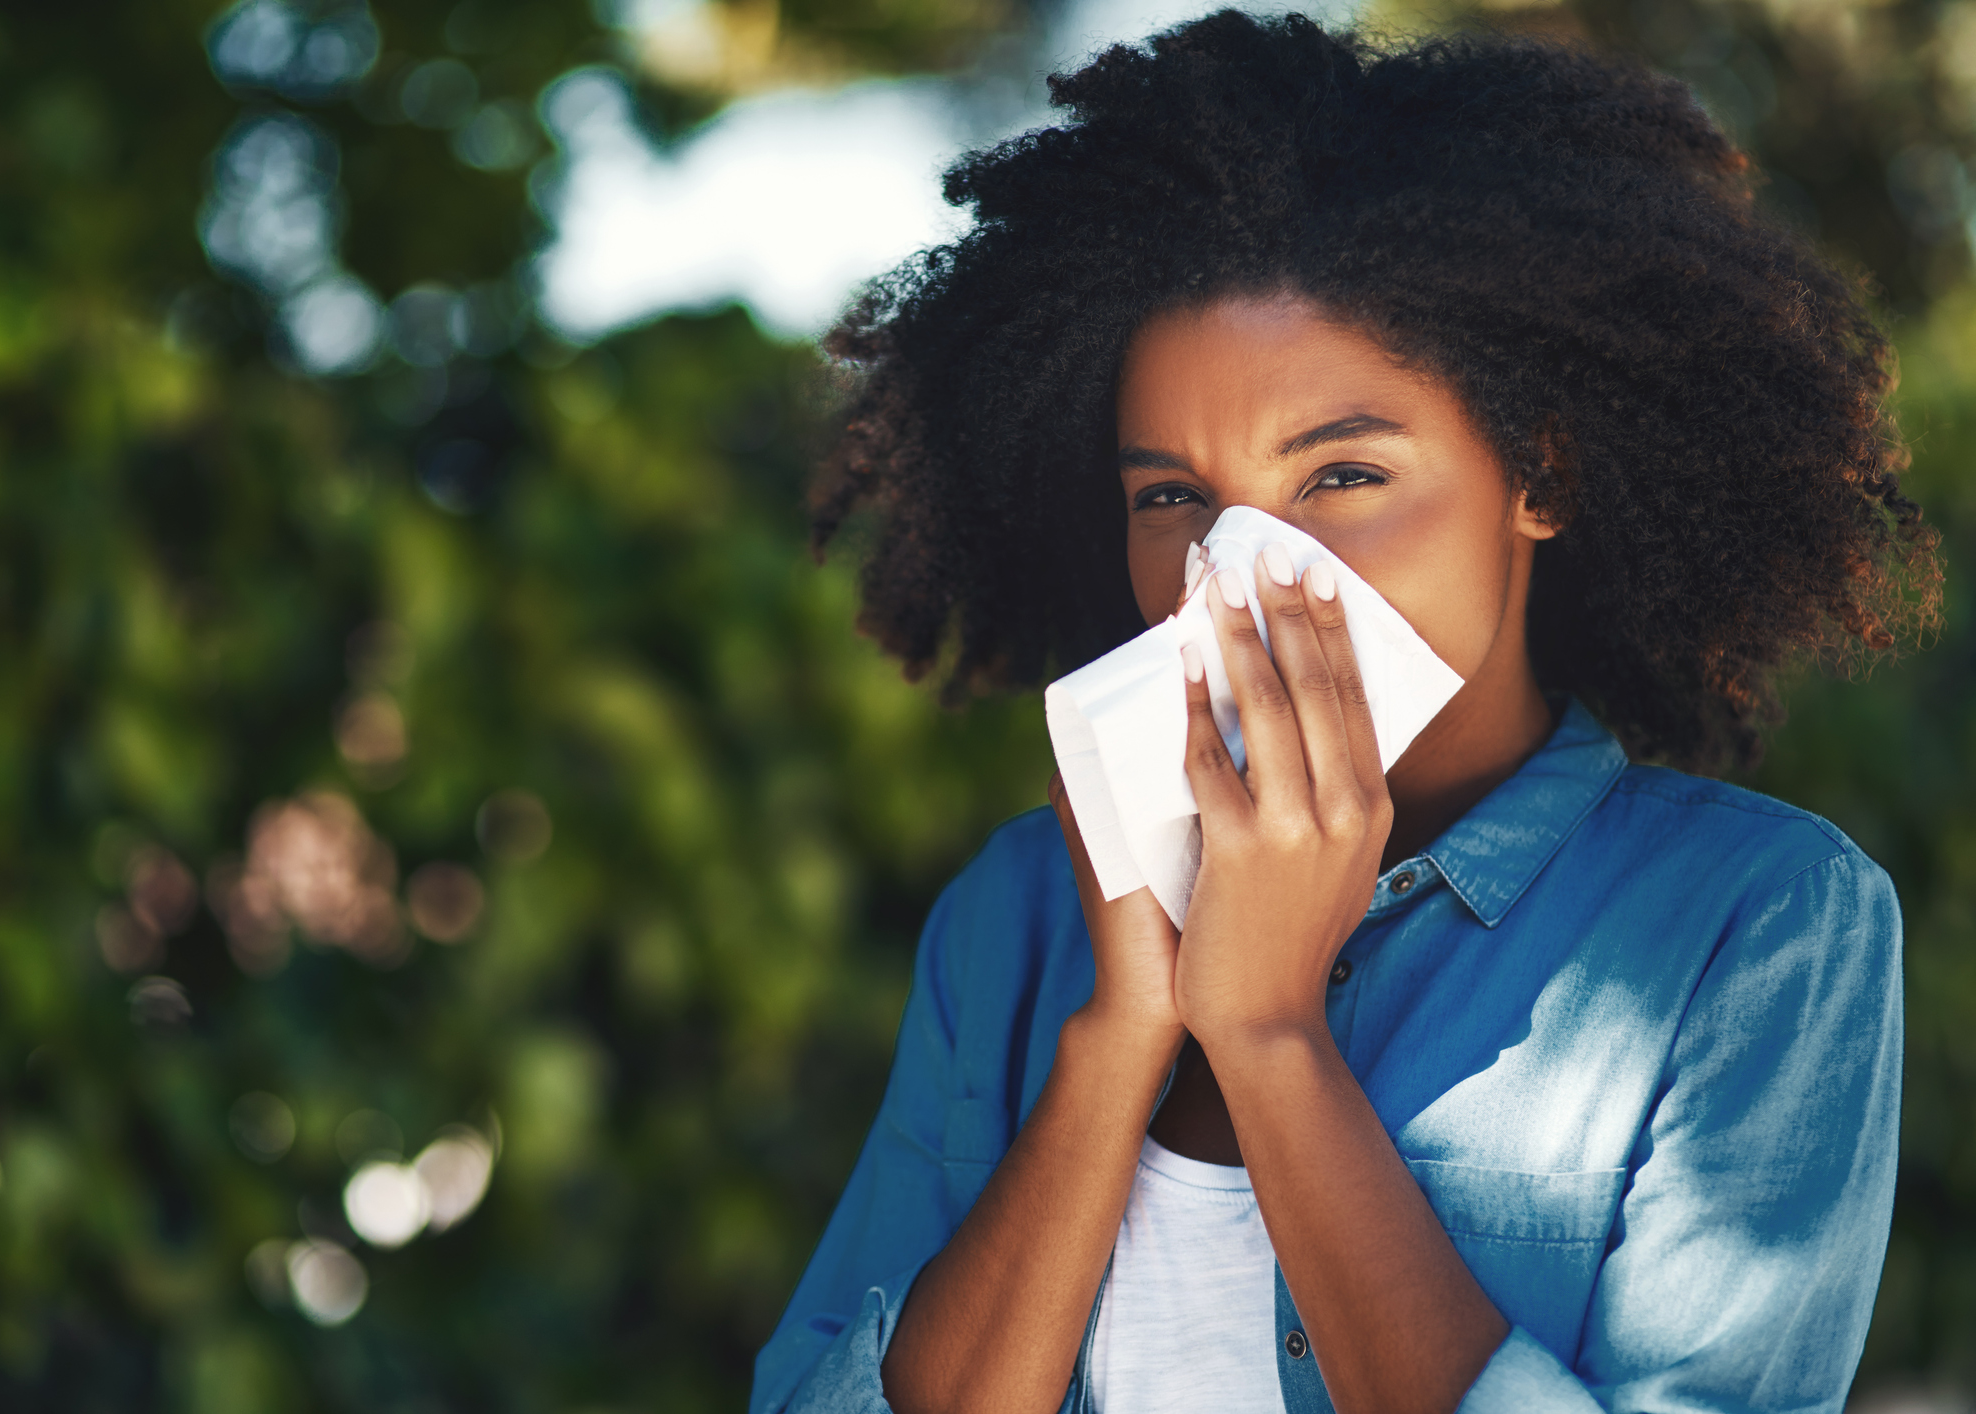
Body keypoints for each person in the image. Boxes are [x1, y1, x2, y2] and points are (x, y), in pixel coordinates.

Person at [753, 12, 1939, 1413]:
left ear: (1537, 475)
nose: (1242, 571)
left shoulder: (1758, 923)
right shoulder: (1017, 918)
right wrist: (1123, 1029)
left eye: (1341, 477)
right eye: (1172, 497)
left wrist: (1267, 1037)